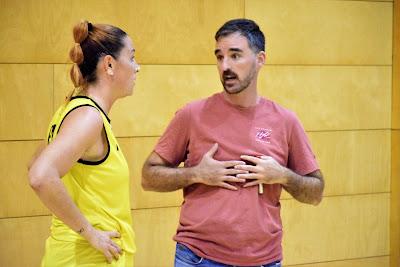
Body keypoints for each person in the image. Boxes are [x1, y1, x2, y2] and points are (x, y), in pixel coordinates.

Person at [141, 18, 324, 267]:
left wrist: (282, 175)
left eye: (235, 56)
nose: (225, 66)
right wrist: (196, 174)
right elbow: (148, 176)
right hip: (198, 258)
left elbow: (315, 192)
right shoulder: (192, 115)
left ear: (260, 60)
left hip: (264, 260)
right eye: (219, 57)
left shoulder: (285, 121)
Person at [28, 20, 140, 266]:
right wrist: (89, 233)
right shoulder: (89, 117)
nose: (137, 67)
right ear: (109, 65)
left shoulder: (72, 109)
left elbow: (35, 162)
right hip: (86, 259)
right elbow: (40, 174)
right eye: (131, 58)